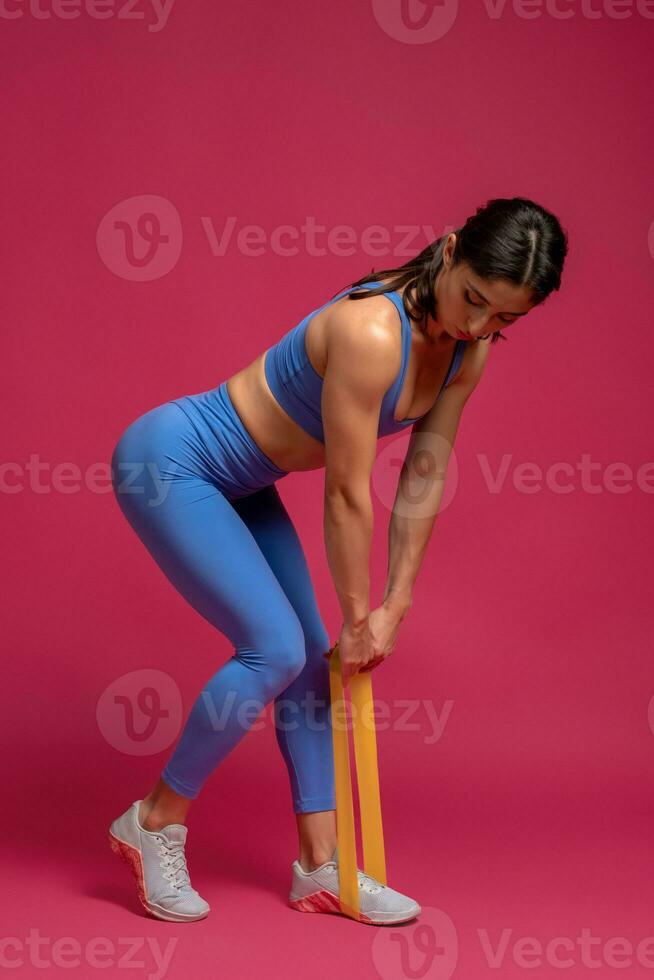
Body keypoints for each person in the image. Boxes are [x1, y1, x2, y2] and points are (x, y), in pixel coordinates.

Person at [108, 196, 569, 924]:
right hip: (173, 462)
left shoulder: (467, 353)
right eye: (474, 300)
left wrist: (397, 604)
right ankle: (154, 821)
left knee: (312, 666)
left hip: (245, 483)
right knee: (274, 648)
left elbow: (423, 474)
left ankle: (321, 868)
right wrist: (360, 616)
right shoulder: (370, 333)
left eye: (504, 319)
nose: (478, 327)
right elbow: (349, 495)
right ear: (450, 251)